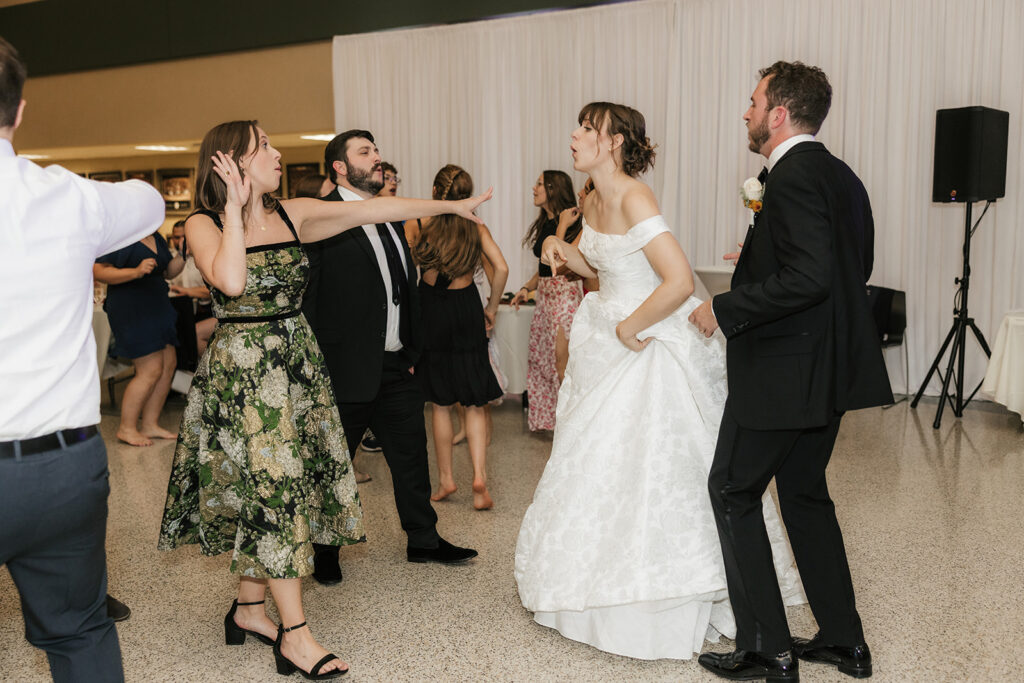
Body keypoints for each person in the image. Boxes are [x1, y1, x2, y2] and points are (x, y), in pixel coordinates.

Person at [157, 120, 490, 679]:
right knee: (275, 492)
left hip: (295, 366)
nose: (278, 153)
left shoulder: (295, 212)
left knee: (275, 488)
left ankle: (247, 609)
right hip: (245, 377)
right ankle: (296, 635)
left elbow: (372, 210)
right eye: (264, 147)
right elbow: (232, 282)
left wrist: (451, 207)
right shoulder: (202, 224)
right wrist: (237, 212)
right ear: (231, 163)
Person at [514, 102, 804, 661]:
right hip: (602, 337)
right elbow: (610, 268)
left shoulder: (633, 194)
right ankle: (595, 577)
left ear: (615, 141)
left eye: (586, 128)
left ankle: (666, 589)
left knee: (649, 465)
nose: (573, 135)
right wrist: (566, 253)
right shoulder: (591, 198)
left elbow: (677, 280)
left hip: (643, 342)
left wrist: (628, 325)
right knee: (594, 463)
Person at [690, 62, 892, 682]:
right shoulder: (842, 175)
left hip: (785, 373)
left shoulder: (792, 174)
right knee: (804, 496)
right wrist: (756, 256)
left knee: (732, 489)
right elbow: (845, 265)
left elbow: (810, 277)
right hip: (827, 371)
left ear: (778, 113)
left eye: (752, 102)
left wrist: (726, 306)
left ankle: (767, 650)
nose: (745, 112)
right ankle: (844, 641)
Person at [0, 36, 165, 682]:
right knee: (79, 632)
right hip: (63, 468)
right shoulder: (67, 197)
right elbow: (150, 202)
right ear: (19, 112)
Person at [302, 130, 480, 586]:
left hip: (397, 364)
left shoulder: (390, 217)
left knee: (410, 458)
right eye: (365, 152)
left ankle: (423, 540)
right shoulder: (325, 219)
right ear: (339, 167)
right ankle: (326, 550)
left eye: (376, 150)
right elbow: (310, 298)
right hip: (344, 369)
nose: (377, 158)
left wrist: (413, 347)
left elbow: (406, 285)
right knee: (332, 463)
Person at [409, 164, 509, 510]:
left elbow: (407, 275)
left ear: (437, 192)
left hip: (430, 312)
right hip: (466, 309)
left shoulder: (419, 224)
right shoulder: (474, 226)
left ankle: (447, 480)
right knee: (474, 401)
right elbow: (503, 268)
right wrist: (492, 308)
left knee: (439, 403)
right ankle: (479, 478)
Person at [93, 229, 184, 446]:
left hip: (158, 302)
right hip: (131, 306)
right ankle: (126, 428)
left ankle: (150, 424)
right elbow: (99, 270)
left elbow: (168, 272)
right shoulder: (120, 235)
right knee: (150, 370)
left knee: (168, 365)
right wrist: (135, 272)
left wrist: (183, 254)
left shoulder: (156, 236)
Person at [509, 171, 584, 431]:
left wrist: (562, 224)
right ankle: (554, 423)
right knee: (544, 361)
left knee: (563, 365)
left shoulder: (573, 222)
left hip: (564, 297)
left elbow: (560, 257)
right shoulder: (548, 221)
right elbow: (543, 266)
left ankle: (570, 427)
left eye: (539, 183)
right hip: (545, 297)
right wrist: (525, 288)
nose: (534, 187)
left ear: (553, 188)